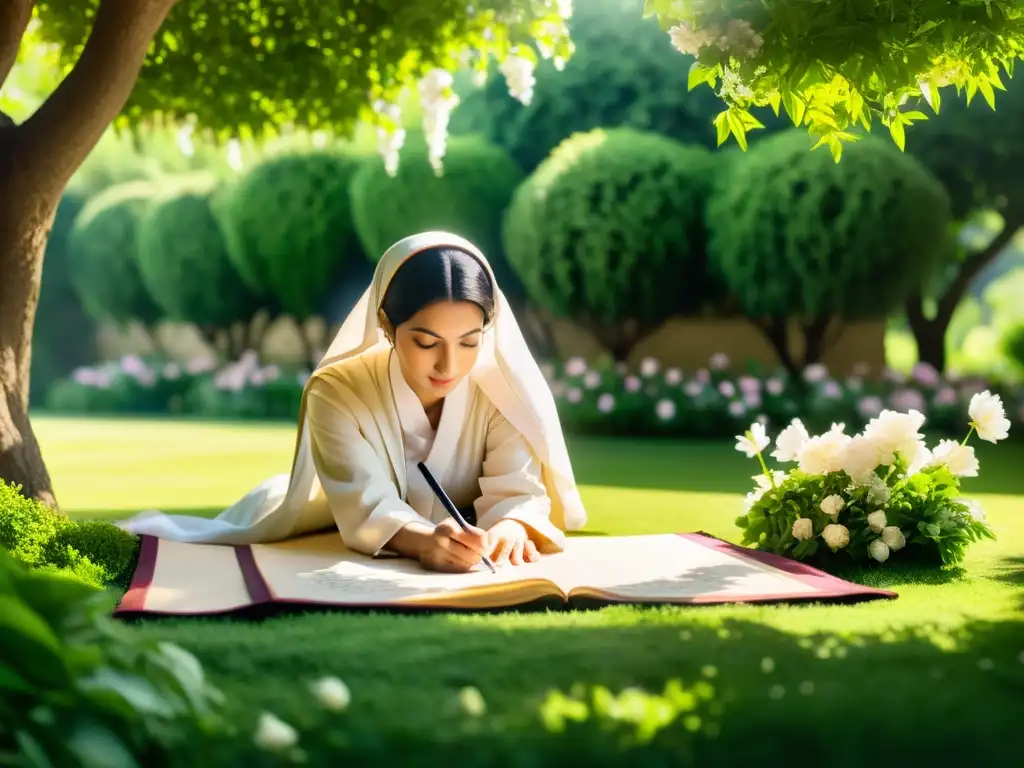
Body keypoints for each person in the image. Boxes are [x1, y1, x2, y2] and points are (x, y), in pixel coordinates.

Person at [119, 231, 587, 573]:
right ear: (386, 323)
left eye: (468, 342)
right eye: (426, 342)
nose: (449, 365)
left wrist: (508, 530)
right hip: (319, 509)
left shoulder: (497, 389)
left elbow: (516, 489)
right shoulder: (337, 393)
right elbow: (365, 503)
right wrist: (426, 542)